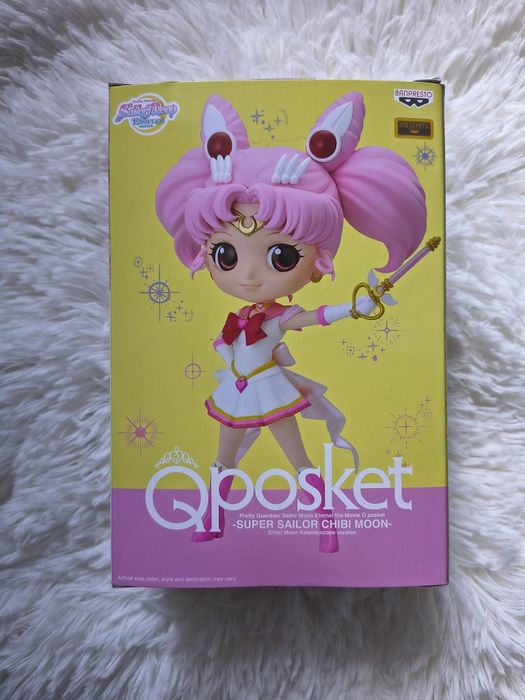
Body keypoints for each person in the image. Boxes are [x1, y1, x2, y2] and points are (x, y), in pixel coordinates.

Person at [155, 92, 426, 552]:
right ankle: (213, 518)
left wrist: (354, 309)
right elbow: (230, 344)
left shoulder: (278, 317)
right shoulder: (240, 317)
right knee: (223, 459)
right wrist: (227, 352)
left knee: (298, 460)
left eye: (280, 256)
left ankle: (326, 523)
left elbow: (315, 318)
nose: (248, 275)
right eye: (225, 255)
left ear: (317, 260)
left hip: (269, 389)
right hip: (236, 389)